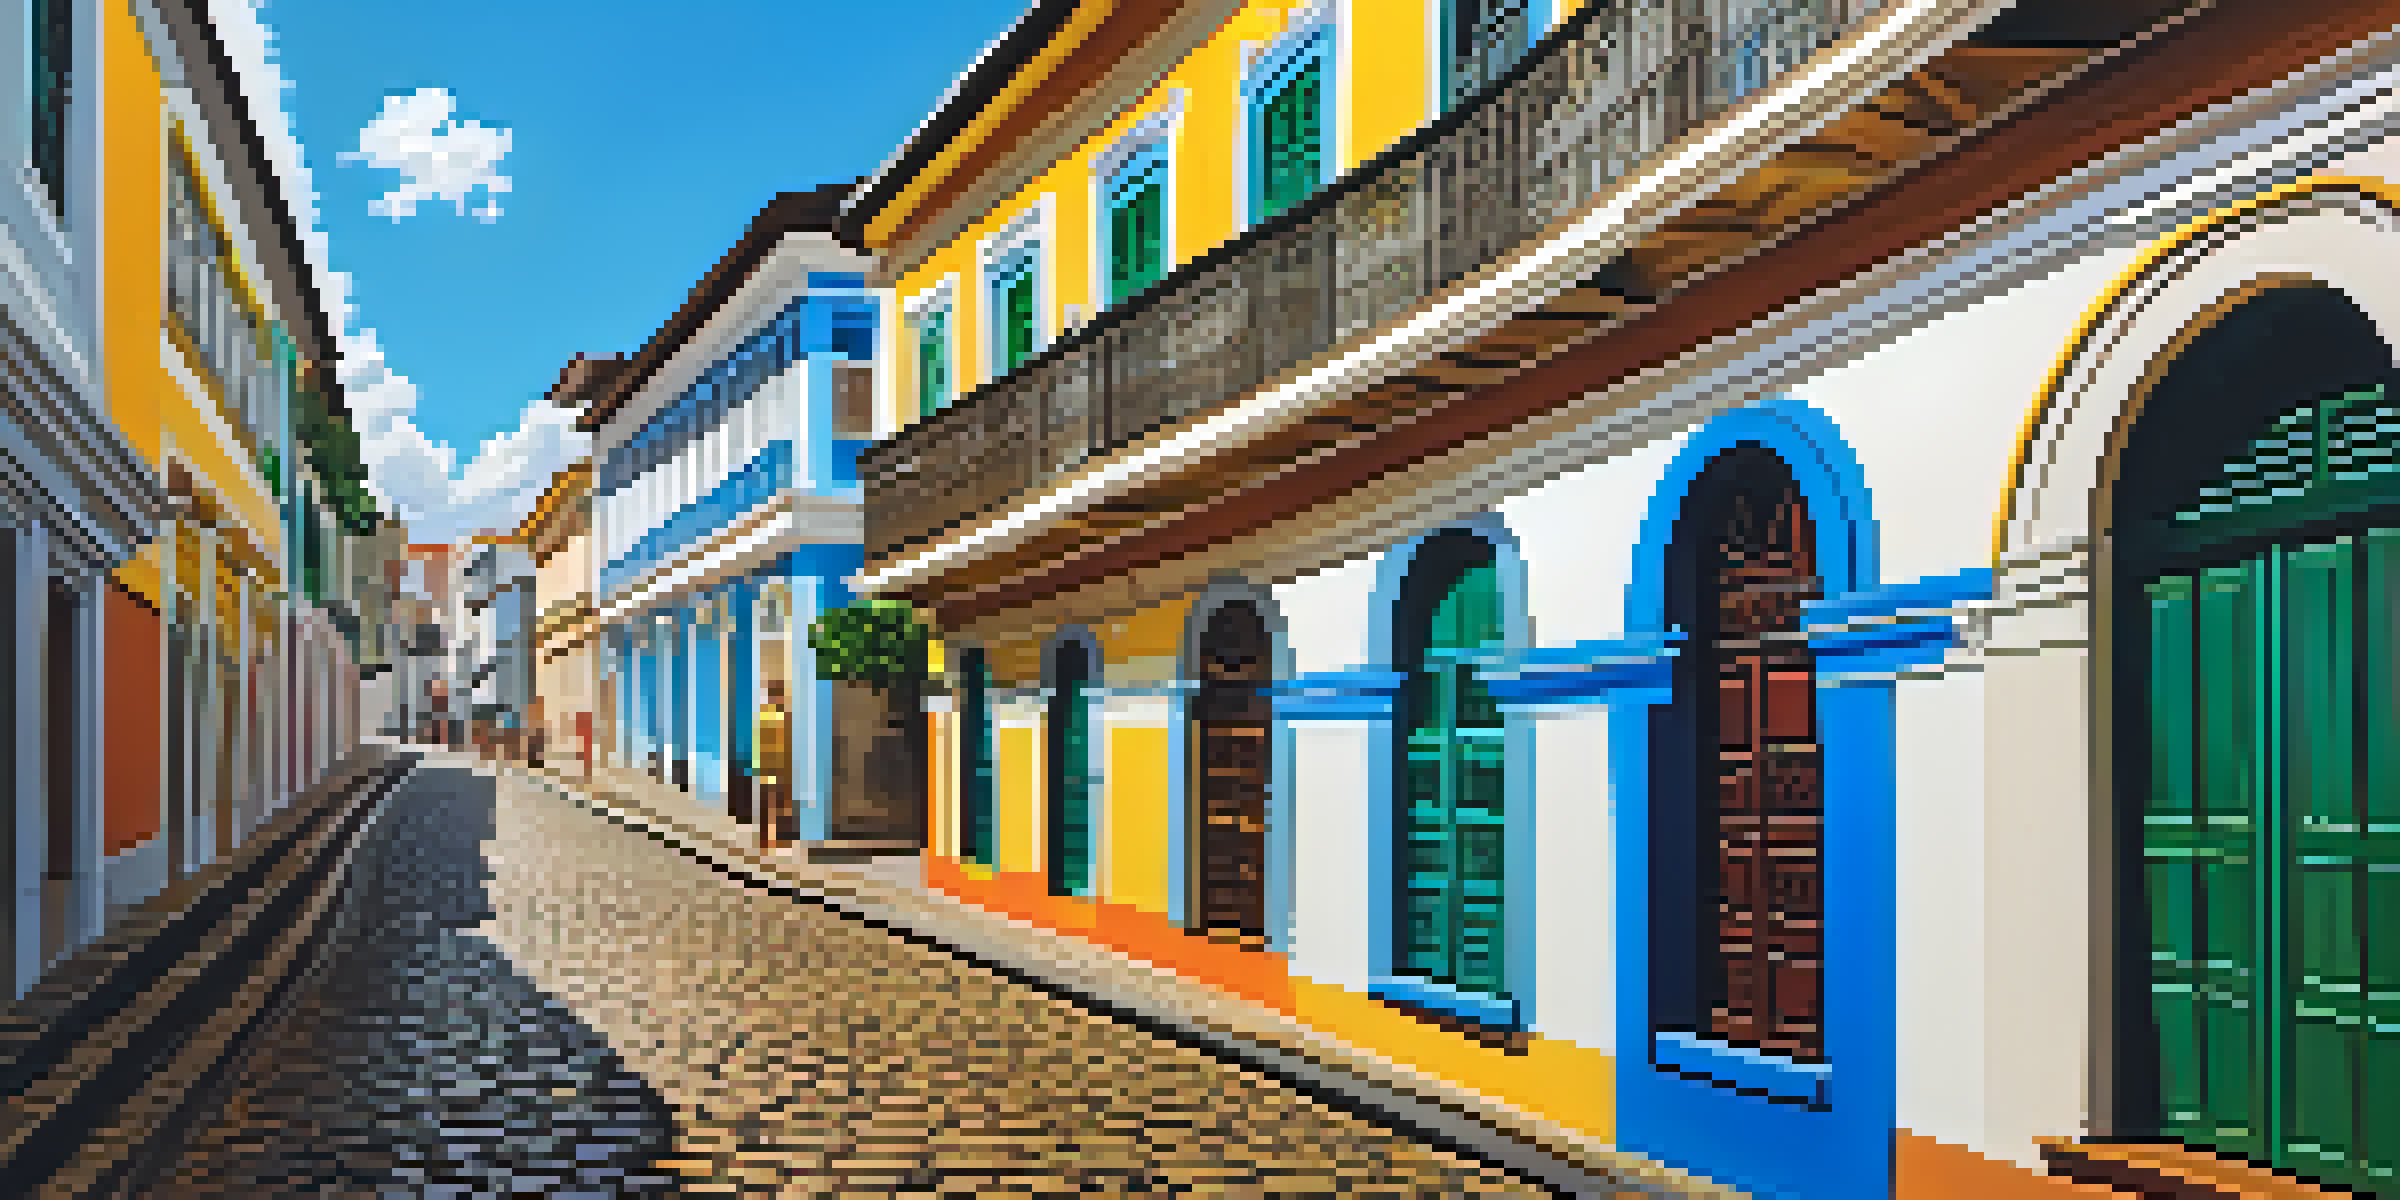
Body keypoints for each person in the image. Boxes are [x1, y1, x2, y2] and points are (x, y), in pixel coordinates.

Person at [755, 678, 791, 852]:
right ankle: (767, 841)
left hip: (776, 766)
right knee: (771, 803)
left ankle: (771, 839)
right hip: (772, 766)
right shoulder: (773, 715)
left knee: (776, 803)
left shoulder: (775, 714)